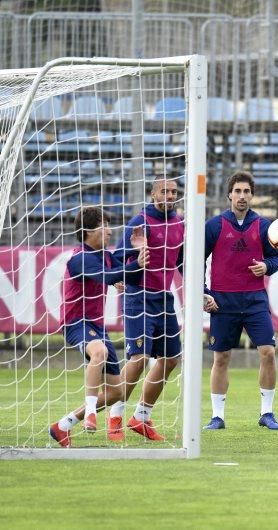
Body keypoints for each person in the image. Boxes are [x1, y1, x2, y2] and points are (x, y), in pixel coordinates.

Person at [49, 207, 148, 447]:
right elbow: (108, 276)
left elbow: (123, 272)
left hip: (97, 326)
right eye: (104, 225)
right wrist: (128, 269)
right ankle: (91, 412)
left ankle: (62, 426)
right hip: (76, 323)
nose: (109, 230)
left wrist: (138, 252)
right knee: (99, 352)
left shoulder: (104, 254)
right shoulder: (79, 258)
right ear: (89, 231)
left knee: (117, 392)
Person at [106, 177, 190, 441]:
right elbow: (116, 256)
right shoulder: (139, 222)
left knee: (171, 359)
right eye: (164, 191)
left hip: (164, 299)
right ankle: (115, 416)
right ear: (153, 195)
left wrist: (202, 289)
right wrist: (121, 274)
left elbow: (182, 262)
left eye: (174, 192)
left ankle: (140, 417)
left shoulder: (179, 224)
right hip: (138, 297)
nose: (169, 195)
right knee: (139, 358)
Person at [202, 171, 278, 431]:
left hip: (254, 300)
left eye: (246, 191)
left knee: (268, 353)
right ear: (229, 194)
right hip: (222, 301)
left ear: (252, 195)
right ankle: (217, 416)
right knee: (222, 358)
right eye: (237, 191)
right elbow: (192, 261)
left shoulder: (263, 226)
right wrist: (204, 292)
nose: (242, 196)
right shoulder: (214, 226)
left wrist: (266, 266)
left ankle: (267, 413)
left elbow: (277, 258)